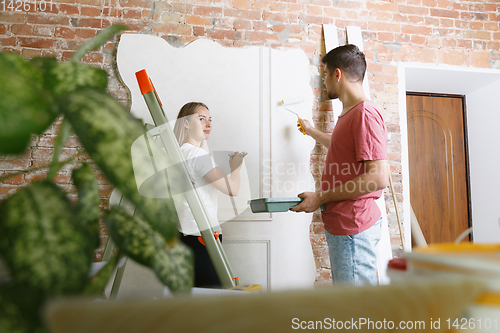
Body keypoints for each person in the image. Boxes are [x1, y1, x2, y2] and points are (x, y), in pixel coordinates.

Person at [290, 44, 389, 286]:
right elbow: (340, 145)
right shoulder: (350, 113)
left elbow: (378, 178)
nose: (323, 81)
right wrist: (312, 132)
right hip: (344, 226)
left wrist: (321, 197)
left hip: (353, 227)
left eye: (325, 74)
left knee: (355, 313)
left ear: (338, 74)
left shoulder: (364, 114)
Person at [173, 102, 244, 288]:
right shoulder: (198, 155)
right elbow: (233, 189)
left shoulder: (178, 154)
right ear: (186, 123)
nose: (208, 124)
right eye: (202, 119)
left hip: (185, 234)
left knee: (195, 297)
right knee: (211, 298)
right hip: (202, 235)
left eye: (210, 120)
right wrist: (235, 168)